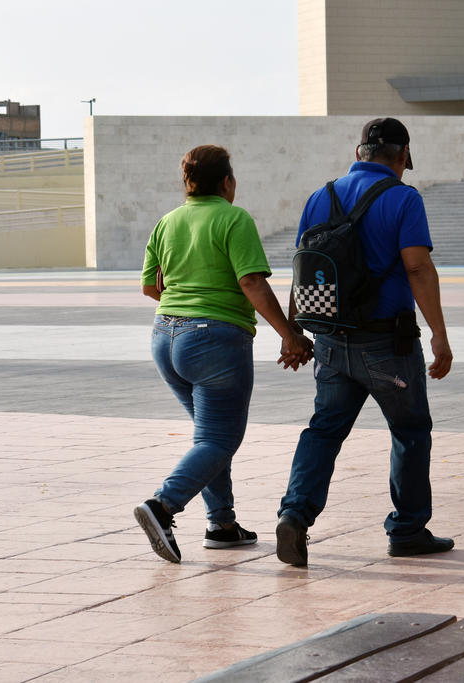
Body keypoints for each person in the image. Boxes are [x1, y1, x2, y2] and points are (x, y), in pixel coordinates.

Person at [276, 118, 455, 566]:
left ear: (359, 153)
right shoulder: (403, 198)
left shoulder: (321, 196)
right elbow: (417, 267)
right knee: (410, 432)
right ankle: (407, 530)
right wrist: (439, 333)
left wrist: (293, 332)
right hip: (387, 343)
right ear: (403, 156)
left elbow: (303, 266)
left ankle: (294, 515)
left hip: (330, 341)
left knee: (324, 430)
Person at [136, 144, 313, 563]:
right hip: (213, 341)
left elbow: (149, 287)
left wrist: (187, 302)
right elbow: (251, 282)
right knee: (219, 438)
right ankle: (162, 505)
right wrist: (289, 334)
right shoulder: (234, 218)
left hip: (164, 337)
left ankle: (222, 525)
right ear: (227, 182)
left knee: (210, 437)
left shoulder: (167, 222)